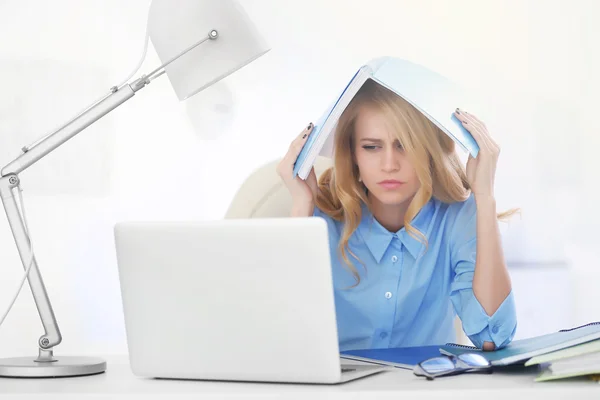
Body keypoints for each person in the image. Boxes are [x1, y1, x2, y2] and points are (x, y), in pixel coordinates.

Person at [277, 79, 519, 352]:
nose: (389, 165)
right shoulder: (320, 218)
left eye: (405, 145)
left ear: (429, 150)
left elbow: (491, 338)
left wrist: (484, 197)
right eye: (371, 147)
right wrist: (301, 207)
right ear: (353, 153)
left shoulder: (456, 218)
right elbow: (284, 338)